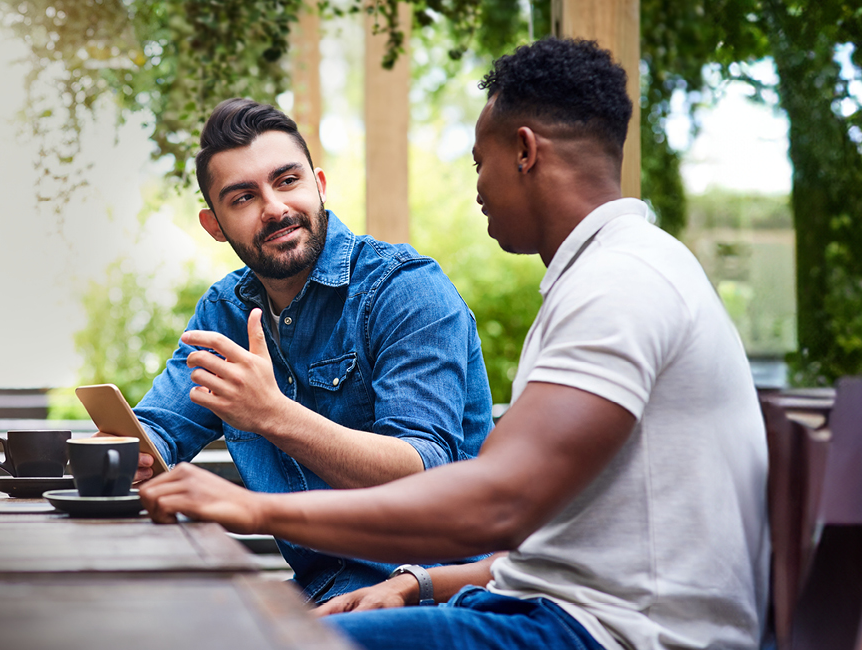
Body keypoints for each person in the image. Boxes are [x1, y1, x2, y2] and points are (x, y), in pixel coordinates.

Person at [139, 38, 770, 650]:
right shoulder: (605, 275)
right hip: (539, 607)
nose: (476, 189)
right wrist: (421, 584)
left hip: (605, 634)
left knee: (248, 637)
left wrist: (258, 510)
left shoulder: (622, 284)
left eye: (477, 161)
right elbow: (547, 548)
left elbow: (498, 503)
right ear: (216, 223)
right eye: (244, 196)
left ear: (524, 152)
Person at [129, 98, 493, 603]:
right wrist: (130, 452)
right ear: (214, 225)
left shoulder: (404, 290)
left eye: (287, 181)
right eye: (242, 198)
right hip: (319, 588)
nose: (275, 208)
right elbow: (162, 429)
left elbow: (424, 469)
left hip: (430, 591)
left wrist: (273, 414)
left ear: (318, 184)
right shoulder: (224, 312)